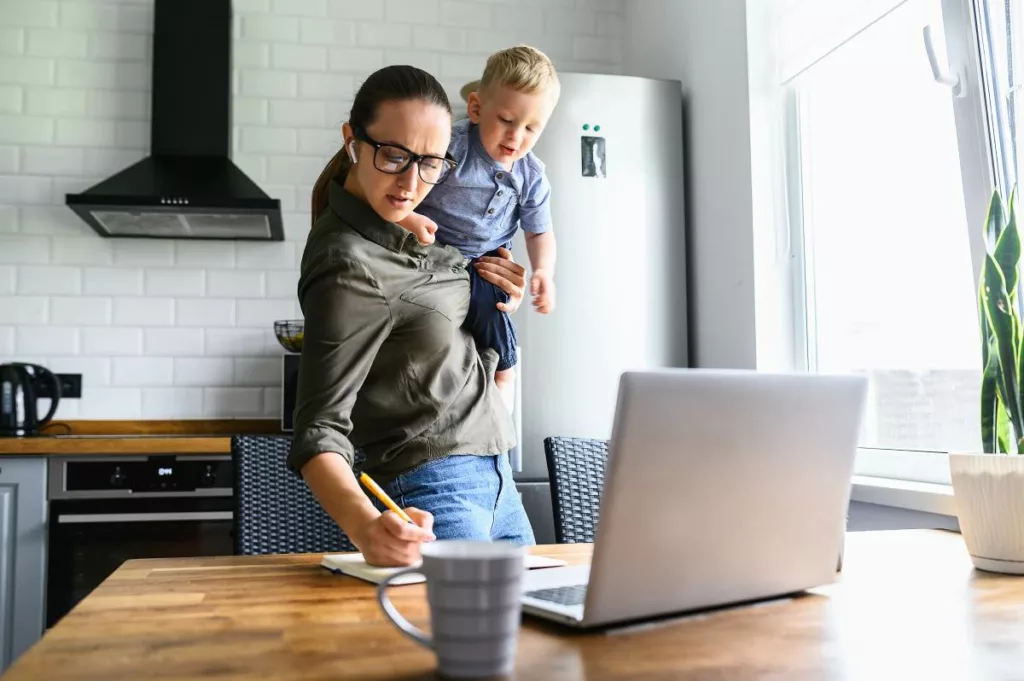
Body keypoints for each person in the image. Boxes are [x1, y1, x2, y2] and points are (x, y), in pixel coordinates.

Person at [288, 64, 536, 568]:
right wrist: (362, 525)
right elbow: (318, 426)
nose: (410, 181)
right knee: (454, 646)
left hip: (499, 483)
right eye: (394, 155)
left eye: (431, 163)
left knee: (527, 645)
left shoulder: (417, 231)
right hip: (435, 492)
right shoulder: (348, 262)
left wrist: (495, 287)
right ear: (352, 141)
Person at [400, 45, 560, 410]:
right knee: (435, 331)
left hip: (486, 263)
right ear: (476, 108)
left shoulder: (531, 174)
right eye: (506, 120)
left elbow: (539, 231)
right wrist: (410, 219)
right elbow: (406, 192)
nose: (516, 137)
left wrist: (544, 273)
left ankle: (501, 409)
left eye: (532, 128)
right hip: (430, 251)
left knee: (498, 341)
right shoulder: (449, 148)